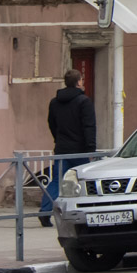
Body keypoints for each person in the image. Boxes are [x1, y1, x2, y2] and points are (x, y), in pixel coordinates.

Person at [40, 69, 96, 226]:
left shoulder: (55, 102)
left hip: (62, 149)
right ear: (78, 82)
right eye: (82, 80)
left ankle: (44, 211)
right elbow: (89, 127)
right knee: (83, 180)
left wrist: (59, 140)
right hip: (80, 150)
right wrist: (91, 149)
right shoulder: (84, 102)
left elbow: (52, 124)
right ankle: (87, 211)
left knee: (57, 181)